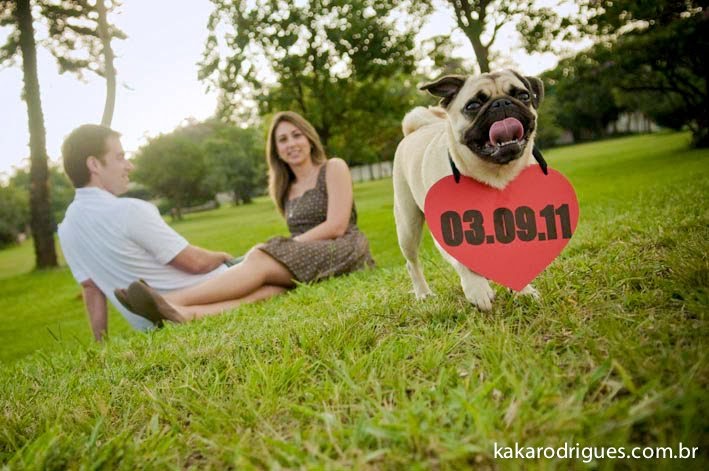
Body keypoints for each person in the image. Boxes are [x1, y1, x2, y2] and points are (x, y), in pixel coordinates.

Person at [118, 111, 374, 324]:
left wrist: (285, 247)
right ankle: (183, 314)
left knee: (259, 256)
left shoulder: (333, 167)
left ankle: (170, 299)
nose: (291, 144)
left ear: (309, 139)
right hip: (309, 257)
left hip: (344, 249)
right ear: (276, 150)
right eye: (283, 140)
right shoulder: (285, 189)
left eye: (297, 135)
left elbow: (337, 225)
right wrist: (287, 247)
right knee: (271, 291)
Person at [57, 124, 282, 341]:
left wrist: (100, 344)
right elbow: (195, 263)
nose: (129, 166)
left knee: (273, 290)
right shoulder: (128, 210)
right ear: (94, 164)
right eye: (120, 157)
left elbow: (91, 289)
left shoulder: (67, 229)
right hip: (217, 286)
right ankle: (179, 308)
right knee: (270, 255)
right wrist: (221, 256)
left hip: (149, 326)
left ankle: (188, 314)